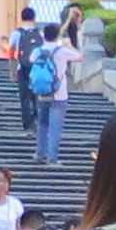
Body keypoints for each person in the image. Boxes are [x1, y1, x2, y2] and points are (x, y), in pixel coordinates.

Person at [25, 23, 68, 167]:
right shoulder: (62, 51)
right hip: (59, 94)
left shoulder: (38, 50)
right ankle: (52, 158)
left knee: (42, 124)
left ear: (44, 35)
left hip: (42, 92)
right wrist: (69, 44)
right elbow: (80, 57)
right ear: (57, 35)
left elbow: (31, 59)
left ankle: (40, 153)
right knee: (55, 126)